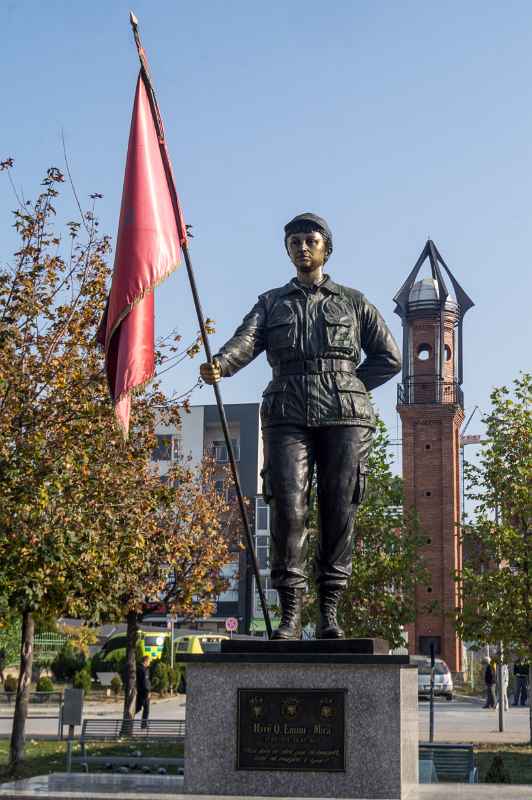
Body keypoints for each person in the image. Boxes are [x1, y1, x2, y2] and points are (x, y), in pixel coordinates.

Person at [200, 213, 401, 639]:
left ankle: (329, 613)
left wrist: (348, 385)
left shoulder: (353, 300)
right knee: (288, 509)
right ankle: (290, 615)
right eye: (294, 242)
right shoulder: (272, 302)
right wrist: (221, 364)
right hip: (287, 410)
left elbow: (390, 357)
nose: (302, 248)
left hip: (344, 415)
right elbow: (246, 341)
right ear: (288, 251)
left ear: (326, 247)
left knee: (338, 508)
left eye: (310, 240)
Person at [135, 655, 151, 728]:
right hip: (143, 692)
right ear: (146, 661)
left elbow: (146, 681)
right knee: (144, 708)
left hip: (142, 691)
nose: (149, 663)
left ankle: (144, 724)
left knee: (140, 708)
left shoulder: (142, 668)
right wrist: (147, 692)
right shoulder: (142, 670)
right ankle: (144, 724)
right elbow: (144, 682)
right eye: (149, 661)